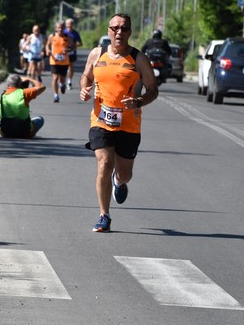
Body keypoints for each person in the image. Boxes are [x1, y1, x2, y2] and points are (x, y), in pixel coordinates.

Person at [80, 13, 159, 232]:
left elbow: (153, 91)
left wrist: (139, 101)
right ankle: (104, 215)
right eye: (115, 28)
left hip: (129, 125)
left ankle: (120, 182)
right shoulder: (97, 54)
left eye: (124, 29)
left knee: (125, 173)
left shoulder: (139, 59)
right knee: (104, 164)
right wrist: (84, 89)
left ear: (130, 33)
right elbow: (86, 76)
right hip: (101, 120)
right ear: (108, 31)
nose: (119, 32)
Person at [0, 74, 46, 138]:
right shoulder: (24, 93)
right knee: (40, 119)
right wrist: (29, 79)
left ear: (8, 85)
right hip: (24, 132)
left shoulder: (1, 97)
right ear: (20, 84)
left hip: (7, 132)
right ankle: (31, 133)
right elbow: (42, 87)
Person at [46, 22, 73, 102]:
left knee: (62, 78)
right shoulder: (52, 36)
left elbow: (73, 46)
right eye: (58, 28)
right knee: (55, 77)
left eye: (61, 28)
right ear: (55, 28)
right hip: (54, 60)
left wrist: (68, 50)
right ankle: (56, 95)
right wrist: (47, 50)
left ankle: (62, 84)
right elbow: (47, 45)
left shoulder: (67, 37)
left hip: (64, 61)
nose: (60, 29)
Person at [64, 18, 82, 90]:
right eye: (68, 24)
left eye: (70, 24)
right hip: (63, 54)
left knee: (71, 67)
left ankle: (69, 82)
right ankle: (62, 82)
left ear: (72, 25)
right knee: (63, 68)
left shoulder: (75, 33)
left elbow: (80, 43)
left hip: (72, 53)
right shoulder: (63, 32)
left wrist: (74, 46)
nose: (69, 25)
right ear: (66, 25)